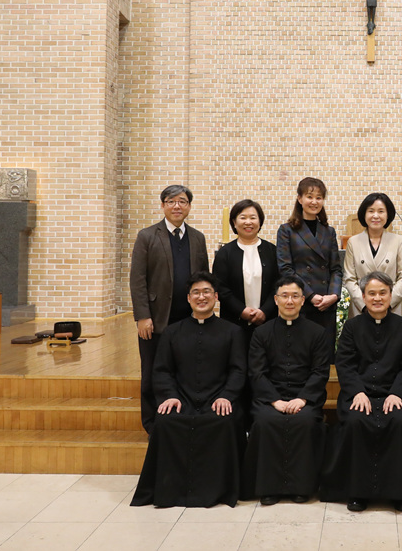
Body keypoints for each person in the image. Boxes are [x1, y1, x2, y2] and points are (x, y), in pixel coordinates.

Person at [130, 272, 246, 508]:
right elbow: (162, 370)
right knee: (165, 421)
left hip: (217, 398)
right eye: (196, 293)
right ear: (188, 298)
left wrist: (226, 396)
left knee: (224, 420)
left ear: (216, 297)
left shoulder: (232, 331)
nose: (201, 297)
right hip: (182, 398)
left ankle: (219, 491)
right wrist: (170, 396)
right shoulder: (172, 332)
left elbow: (238, 370)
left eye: (206, 292)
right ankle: (170, 491)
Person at [320, 271, 402, 512]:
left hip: (394, 395)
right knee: (356, 421)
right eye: (372, 293)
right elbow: (345, 364)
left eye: (382, 293)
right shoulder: (352, 327)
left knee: (398, 421)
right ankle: (358, 492)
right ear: (363, 297)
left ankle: (400, 493)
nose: (377, 298)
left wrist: (397, 393)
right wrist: (357, 392)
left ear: (391, 295)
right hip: (359, 395)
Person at [242, 276, 332, 505]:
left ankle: (302, 488)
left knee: (305, 421)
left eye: (295, 296)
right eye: (284, 296)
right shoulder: (261, 333)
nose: (289, 301)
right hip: (269, 399)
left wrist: (302, 399)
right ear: (276, 300)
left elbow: (320, 372)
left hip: (305, 399)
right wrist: (275, 400)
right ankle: (269, 488)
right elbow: (257, 373)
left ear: (303, 300)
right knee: (266, 422)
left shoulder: (317, 333)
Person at [129, 184, 210, 434]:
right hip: (156, 318)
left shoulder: (197, 238)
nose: (177, 206)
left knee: (186, 371)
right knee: (152, 371)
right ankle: (152, 425)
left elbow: (203, 278)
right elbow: (137, 279)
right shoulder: (147, 236)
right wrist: (143, 316)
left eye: (182, 201)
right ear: (163, 205)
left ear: (189, 206)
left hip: (188, 318)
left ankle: (181, 420)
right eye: (171, 201)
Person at [276, 177, 343, 349]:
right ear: (300, 199)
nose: (314, 202)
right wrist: (311, 295)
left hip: (326, 304)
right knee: (300, 352)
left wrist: (333, 295)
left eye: (319, 197)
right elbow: (286, 269)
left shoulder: (329, 232)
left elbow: (336, 269)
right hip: (300, 301)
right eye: (309, 196)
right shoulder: (287, 230)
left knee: (324, 354)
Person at [212, 199, 279, 349]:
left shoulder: (271, 251)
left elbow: (278, 285)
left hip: (268, 322)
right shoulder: (225, 253)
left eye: (253, 217)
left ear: (260, 222)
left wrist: (264, 311)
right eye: (243, 217)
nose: (248, 222)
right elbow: (221, 288)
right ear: (234, 223)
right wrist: (242, 311)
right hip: (233, 322)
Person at [343, 192, 402, 318]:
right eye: (371, 211)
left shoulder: (398, 241)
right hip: (361, 309)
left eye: (381, 211)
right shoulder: (353, 242)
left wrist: (387, 303)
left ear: (388, 214)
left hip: (391, 308)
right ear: (364, 214)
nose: (375, 216)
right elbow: (349, 278)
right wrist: (365, 304)